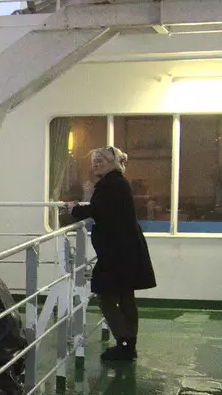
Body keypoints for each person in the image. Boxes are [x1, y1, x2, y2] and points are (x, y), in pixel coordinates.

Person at [64, 145, 157, 363]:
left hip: (118, 252)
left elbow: (100, 211)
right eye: (94, 161)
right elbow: (104, 209)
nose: (96, 164)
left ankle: (125, 344)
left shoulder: (111, 184)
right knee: (125, 298)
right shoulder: (115, 183)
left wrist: (74, 209)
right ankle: (128, 345)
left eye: (101, 160)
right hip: (126, 249)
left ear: (112, 163)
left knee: (107, 297)